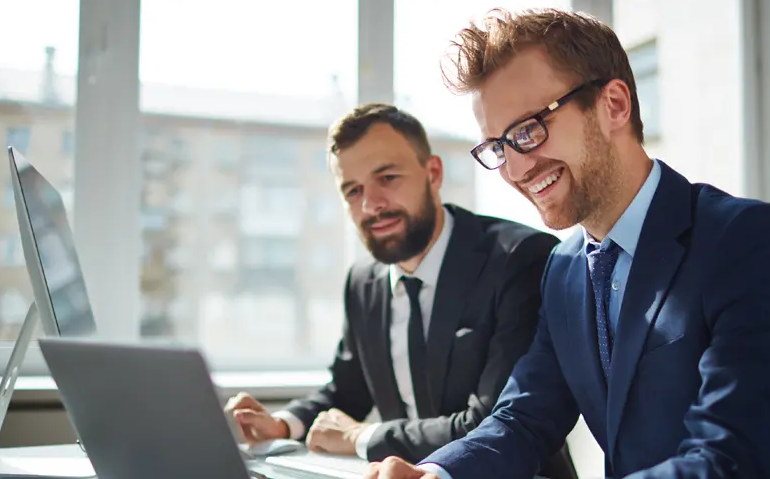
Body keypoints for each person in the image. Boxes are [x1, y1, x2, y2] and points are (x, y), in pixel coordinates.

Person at [364, 7, 770, 479]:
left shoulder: (750, 241)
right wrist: (435, 473)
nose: (514, 170)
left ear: (614, 104)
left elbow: (733, 457)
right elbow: (525, 417)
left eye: (528, 131)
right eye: (498, 147)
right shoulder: (565, 269)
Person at [225, 103, 577, 478]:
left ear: (434, 173)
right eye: (353, 191)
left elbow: (493, 423)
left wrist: (365, 437)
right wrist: (282, 424)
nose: (370, 205)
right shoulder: (363, 281)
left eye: (387, 178)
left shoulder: (518, 259)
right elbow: (347, 390)